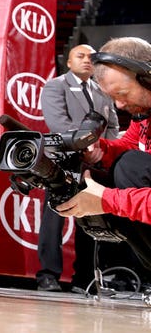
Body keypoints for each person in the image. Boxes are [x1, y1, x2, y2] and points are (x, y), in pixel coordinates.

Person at [57, 37, 151, 276]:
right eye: (113, 97)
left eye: (122, 93)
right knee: (121, 166)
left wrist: (107, 200)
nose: (118, 105)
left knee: (128, 168)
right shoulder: (145, 112)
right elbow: (133, 144)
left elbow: (135, 163)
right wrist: (99, 149)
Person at [36, 44, 119, 292]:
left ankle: (86, 279)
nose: (87, 61)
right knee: (54, 218)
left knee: (93, 218)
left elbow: (113, 126)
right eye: (80, 56)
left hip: (95, 161)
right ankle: (48, 274)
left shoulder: (102, 92)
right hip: (64, 159)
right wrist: (84, 146)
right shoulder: (55, 86)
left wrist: (104, 149)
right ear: (68, 62)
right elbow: (58, 122)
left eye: (91, 58)